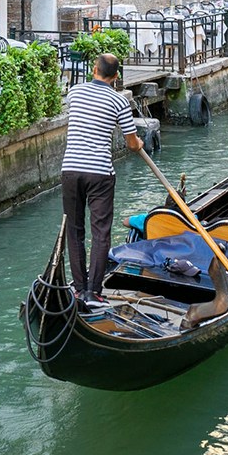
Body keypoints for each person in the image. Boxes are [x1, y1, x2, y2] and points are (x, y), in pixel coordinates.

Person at [61, 53, 142, 309]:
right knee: (100, 232)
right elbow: (131, 144)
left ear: (93, 69)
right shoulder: (119, 102)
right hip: (99, 173)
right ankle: (93, 292)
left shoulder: (74, 93)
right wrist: (137, 142)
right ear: (116, 77)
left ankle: (78, 288)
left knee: (74, 231)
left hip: (71, 170)